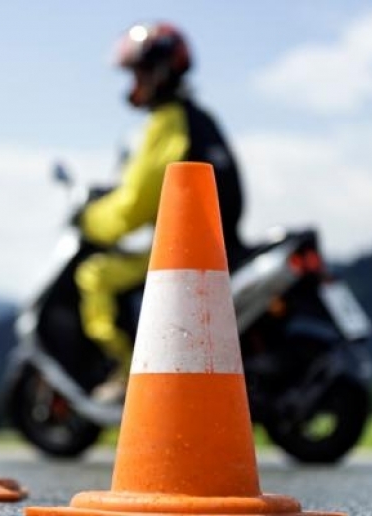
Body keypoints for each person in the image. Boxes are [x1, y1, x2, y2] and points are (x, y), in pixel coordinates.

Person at [76, 21, 245, 403]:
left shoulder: (168, 122)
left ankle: (125, 375)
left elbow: (135, 204)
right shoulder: (201, 119)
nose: (133, 82)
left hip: (187, 253)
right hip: (220, 244)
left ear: (159, 72)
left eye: (137, 72)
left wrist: (90, 221)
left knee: (94, 276)